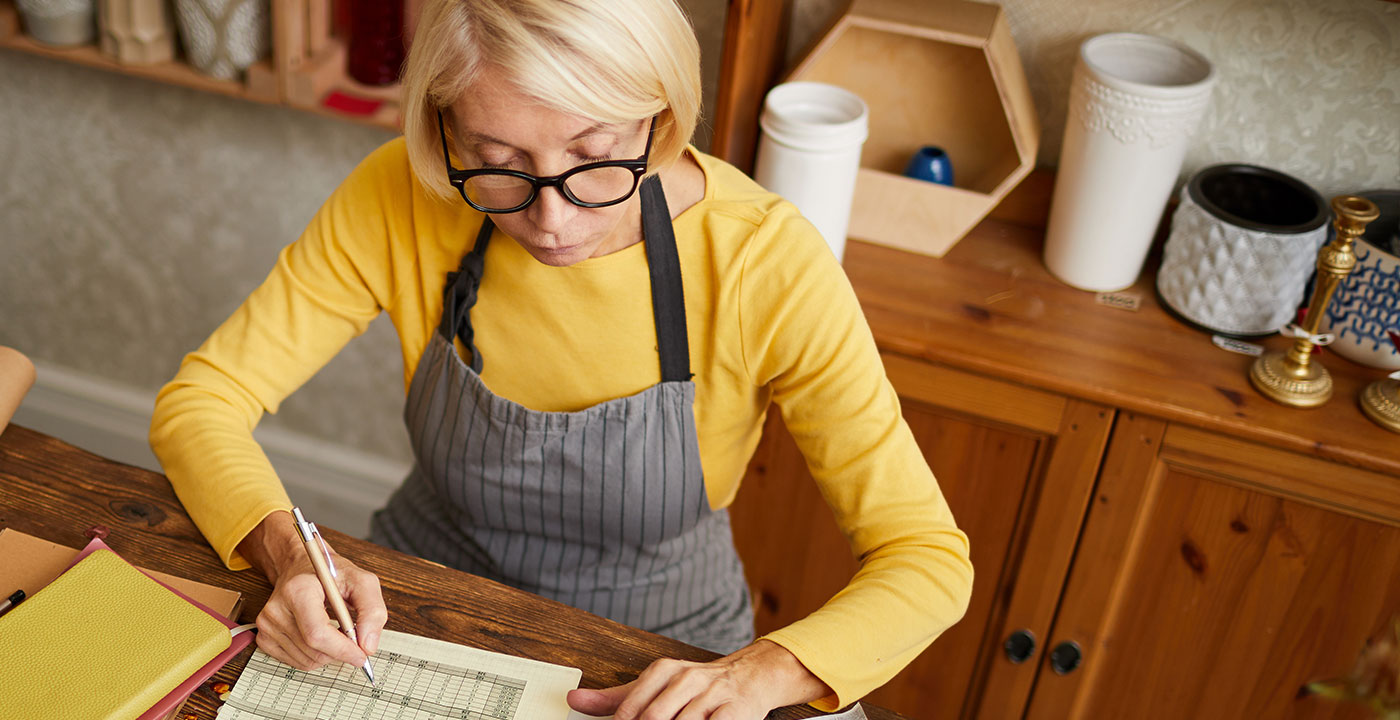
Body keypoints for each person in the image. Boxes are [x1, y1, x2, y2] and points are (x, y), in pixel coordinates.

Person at [149, 0, 974, 716]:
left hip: (660, 647)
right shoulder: (401, 191)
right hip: (422, 607)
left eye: (592, 156)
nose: (550, 219)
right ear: (444, 130)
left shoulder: (766, 263)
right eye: (501, 165)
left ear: (662, 116)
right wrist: (294, 560)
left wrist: (768, 670)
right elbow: (202, 401)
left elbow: (928, 559)